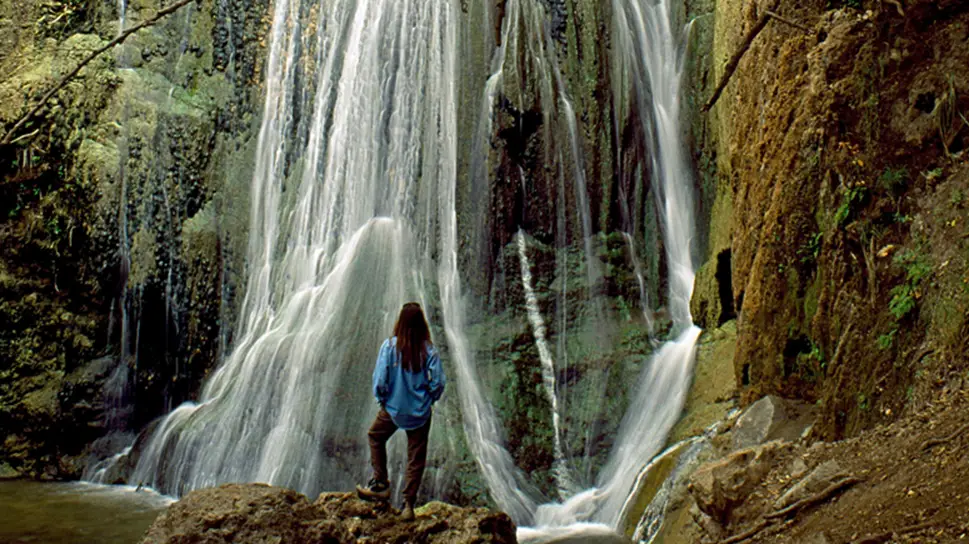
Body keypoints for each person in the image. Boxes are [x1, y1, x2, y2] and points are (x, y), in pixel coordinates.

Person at [356, 302, 446, 521]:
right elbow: (439, 382)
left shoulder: (389, 347)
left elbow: (379, 380)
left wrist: (383, 400)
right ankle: (408, 505)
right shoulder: (429, 350)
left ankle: (380, 484)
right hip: (419, 412)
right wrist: (429, 399)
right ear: (422, 324)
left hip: (394, 409)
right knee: (415, 457)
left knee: (375, 437)